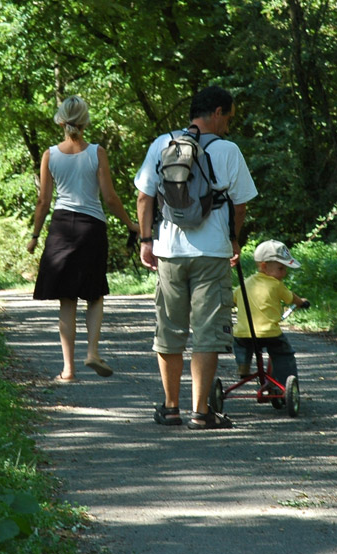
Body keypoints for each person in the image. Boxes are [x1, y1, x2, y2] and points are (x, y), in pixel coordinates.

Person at [134, 86, 258, 429]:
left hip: (169, 252)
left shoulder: (163, 144)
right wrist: (233, 239)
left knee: (170, 329)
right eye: (228, 117)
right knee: (207, 332)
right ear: (216, 112)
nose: (229, 126)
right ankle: (201, 412)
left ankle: (170, 406)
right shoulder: (228, 150)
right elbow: (241, 204)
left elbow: (144, 197)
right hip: (212, 252)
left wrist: (147, 240)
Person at [29, 95, 139, 383]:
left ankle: (68, 370)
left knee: (67, 300)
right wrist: (131, 224)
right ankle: (92, 352)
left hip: (62, 227)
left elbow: (43, 201)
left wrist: (35, 235)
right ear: (85, 120)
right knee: (94, 294)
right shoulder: (97, 153)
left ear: (60, 120)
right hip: (92, 228)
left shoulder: (50, 154)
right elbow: (111, 198)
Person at [232, 240, 309, 384]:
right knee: (284, 353)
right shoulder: (276, 284)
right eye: (281, 268)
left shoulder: (245, 283)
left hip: (244, 334)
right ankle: (286, 382)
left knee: (240, 343)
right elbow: (292, 298)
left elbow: (233, 299)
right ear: (264, 266)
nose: (284, 273)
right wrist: (302, 302)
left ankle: (243, 365)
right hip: (269, 334)